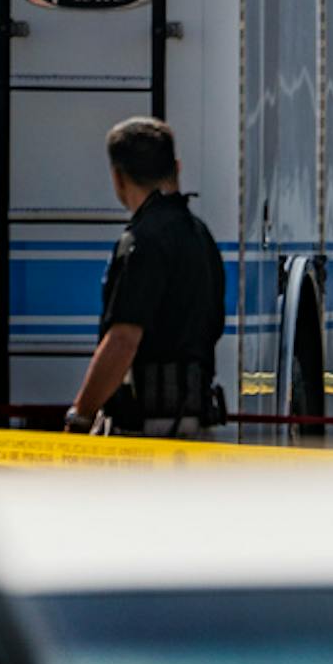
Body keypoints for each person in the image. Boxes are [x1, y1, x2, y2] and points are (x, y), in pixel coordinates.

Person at [66, 117, 226, 438]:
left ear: (119, 178)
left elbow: (123, 340)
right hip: (197, 418)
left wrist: (81, 416)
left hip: (151, 430)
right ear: (176, 168)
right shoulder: (200, 235)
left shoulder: (142, 242)